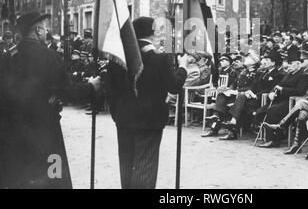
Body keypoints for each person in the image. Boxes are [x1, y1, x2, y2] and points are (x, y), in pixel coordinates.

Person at [0, 12, 101, 189]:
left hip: (12, 134)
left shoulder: (8, 57)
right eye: (45, 28)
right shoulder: (49, 56)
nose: (46, 32)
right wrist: (91, 87)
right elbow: (68, 91)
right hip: (44, 131)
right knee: (52, 179)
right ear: (38, 30)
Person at [106, 16, 188, 189]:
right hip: (149, 122)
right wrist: (183, 68)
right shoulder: (160, 59)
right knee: (145, 169)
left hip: (124, 119)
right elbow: (174, 86)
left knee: (126, 166)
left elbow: (111, 90)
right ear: (153, 34)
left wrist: (117, 114)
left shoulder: (117, 60)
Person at [257, 52, 308, 148]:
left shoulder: (304, 76)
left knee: (273, 110)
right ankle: (275, 135)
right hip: (280, 100)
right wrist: (272, 92)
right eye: (288, 63)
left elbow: (300, 91)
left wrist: (283, 90)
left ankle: (273, 140)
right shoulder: (288, 74)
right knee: (262, 110)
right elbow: (278, 85)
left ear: (298, 64)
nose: (289, 66)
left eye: (291, 64)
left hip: (292, 103)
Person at [202, 52, 260, 139]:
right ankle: (216, 120)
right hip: (238, 95)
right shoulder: (244, 71)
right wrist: (229, 88)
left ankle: (229, 131)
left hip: (248, 98)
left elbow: (253, 88)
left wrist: (237, 91)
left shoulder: (257, 73)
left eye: (248, 58)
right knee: (222, 95)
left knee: (236, 100)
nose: (245, 59)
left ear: (253, 62)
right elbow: (235, 83)